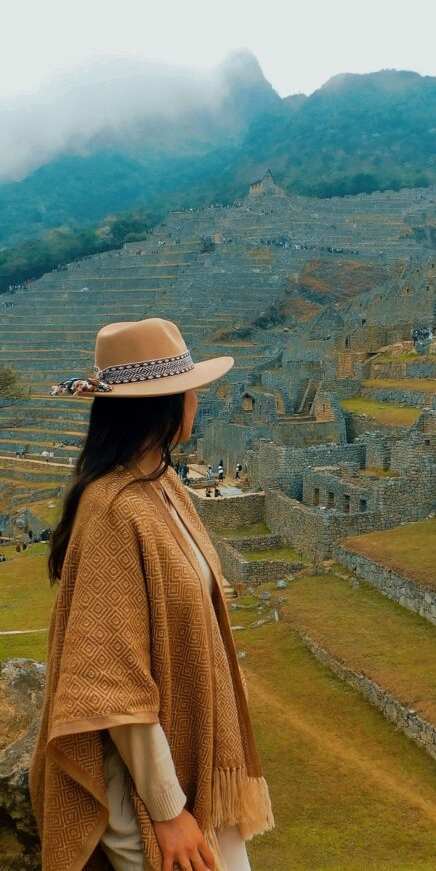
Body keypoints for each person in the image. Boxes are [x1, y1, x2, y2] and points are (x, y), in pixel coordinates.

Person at [30, 318, 275, 871]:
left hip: (191, 770)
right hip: (141, 791)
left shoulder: (162, 487)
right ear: (161, 405)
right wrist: (168, 810)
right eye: (188, 389)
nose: (196, 400)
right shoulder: (116, 509)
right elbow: (111, 687)